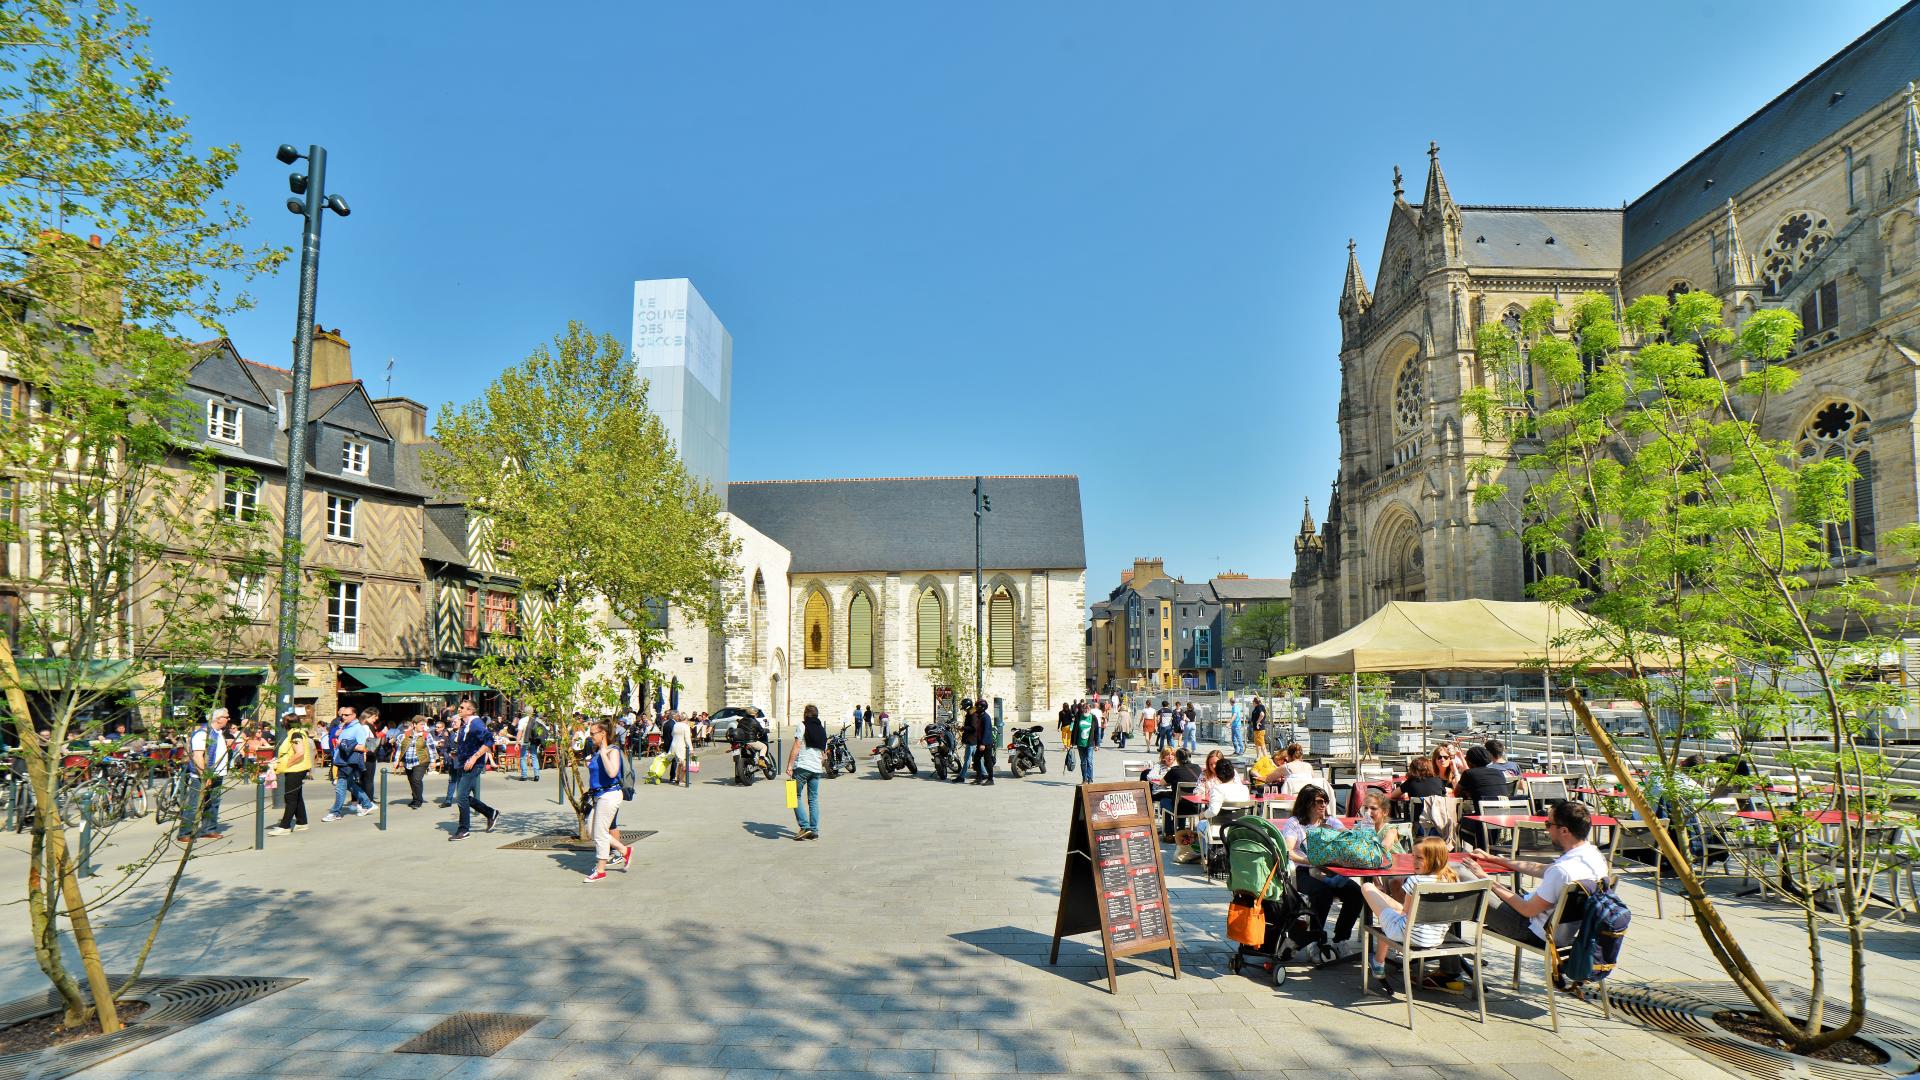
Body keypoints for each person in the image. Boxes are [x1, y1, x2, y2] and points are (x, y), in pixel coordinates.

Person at [1460, 800, 1607, 948]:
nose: (1546, 830)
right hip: (1561, 929)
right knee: (1483, 885)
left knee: (1462, 876)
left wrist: (1484, 878)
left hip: (1530, 929)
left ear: (1564, 831)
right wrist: (1492, 858)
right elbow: (1540, 869)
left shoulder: (1562, 871)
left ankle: (1448, 952)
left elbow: (1527, 910)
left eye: (1549, 824)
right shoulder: (1594, 857)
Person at [1358, 837, 1460, 994]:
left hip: (1409, 934)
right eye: (1413, 856)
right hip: (1435, 936)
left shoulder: (1416, 881)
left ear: (1434, 859)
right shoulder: (1452, 879)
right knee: (1390, 910)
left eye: (1419, 858)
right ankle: (1378, 962)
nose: (1414, 861)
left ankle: (1378, 963)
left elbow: (1404, 912)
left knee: (1367, 886)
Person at [1280, 784, 1363, 960]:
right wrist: (1308, 860)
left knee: (1357, 893)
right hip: (1304, 870)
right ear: (1307, 802)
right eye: (1318, 801)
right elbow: (1288, 851)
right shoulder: (1296, 823)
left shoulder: (1331, 822)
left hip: (1330, 871)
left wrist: (1347, 835)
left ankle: (1340, 939)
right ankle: (1314, 940)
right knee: (1322, 894)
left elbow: (1347, 839)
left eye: (1325, 801)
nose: (1323, 805)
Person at [583, 720, 633, 882]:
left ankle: (601, 870)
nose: (590, 737)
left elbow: (612, 773)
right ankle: (624, 850)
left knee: (599, 833)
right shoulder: (597, 751)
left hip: (610, 794)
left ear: (602, 734)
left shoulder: (613, 751)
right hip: (598, 795)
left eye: (593, 734)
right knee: (591, 830)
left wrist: (604, 753)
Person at [178, 707, 231, 843]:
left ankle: (209, 829)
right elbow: (198, 756)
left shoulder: (217, 733)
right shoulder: (203, 734)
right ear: (218, 719)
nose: (228, 719)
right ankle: (185, 832)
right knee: (195, 804)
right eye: (226, 716)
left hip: (217, 773)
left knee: (213, 803)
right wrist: (205, 776)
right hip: (204, 775)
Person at [449, 698, 499, 841]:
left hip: (473, 765)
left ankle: (463, 830)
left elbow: (489, 740)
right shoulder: (466, 724)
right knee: (464, 797)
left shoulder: (476, 723)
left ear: (470, 711)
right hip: (463, 763)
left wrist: (474, 757)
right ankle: (491, 813)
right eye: (460, 707)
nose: (459, 709)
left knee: (461, 797)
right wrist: (457, 754)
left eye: (462, 708)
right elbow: (468, 743)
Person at [1453, 744, 1510, 849]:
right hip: (1503, 819)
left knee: (1457, 823)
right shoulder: (1498, 773)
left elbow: (1457, 793)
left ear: (1469, 761)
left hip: (1482, 820)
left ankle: (1477, 849)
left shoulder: (1468, 773)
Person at [323, 707, 374, 821]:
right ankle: (367, 804)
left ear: (354, 715)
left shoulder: (358, 729)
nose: (343, 717)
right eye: (343, 715)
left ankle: (336, 812)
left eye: (347, 715)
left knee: (340, 787)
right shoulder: (344, 727)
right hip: (342, 760)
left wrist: (344, 743)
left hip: (349, 762)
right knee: (350, 785)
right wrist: (336, 735)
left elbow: (364, 747)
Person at [266, 714, 312, 836]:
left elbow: (300, 752)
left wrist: (287, 764)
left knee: (290, 798)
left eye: (284, 721)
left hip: (295, 770)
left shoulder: (295, 734)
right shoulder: (296, 732)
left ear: (288, 723)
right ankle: (302, 822)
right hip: (297, 769)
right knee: (297, 796)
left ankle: (285, 826)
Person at [787, 705, 827, 840]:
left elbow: (797, 745)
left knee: (793, 796)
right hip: (816, 769)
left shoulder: (802, 726)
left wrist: (790, 765)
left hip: (802, 767)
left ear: (805, 714)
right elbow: (824, 754)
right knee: (813, 799)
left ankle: (805, 827)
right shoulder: (822, 730)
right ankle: (814, 831)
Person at [393, 718, 432, 809]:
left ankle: (418, 801)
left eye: (424, 724)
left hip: (421, 760)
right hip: (408, 761)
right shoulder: (404, 735)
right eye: (421, 724)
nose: (423, 726)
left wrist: (433, 762)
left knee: (416, 780)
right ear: (414, 724)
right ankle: (415, 798)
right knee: (412, 781)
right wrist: (396, 761)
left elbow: (431, 749)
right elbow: (400, 749)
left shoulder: (426, 735)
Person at [357, 706, 383, 808]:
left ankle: (363, 800)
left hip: (364, 755)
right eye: (374, 717)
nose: (375, 720)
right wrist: (380, 736)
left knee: (363, 779)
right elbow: (371, 745)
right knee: (368, 780)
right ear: (368, 717)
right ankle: (369, 801)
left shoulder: (361, 726)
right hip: (368, 756)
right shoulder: (367, 727)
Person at [1071, 698, 1098, 783]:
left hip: (1090, 743)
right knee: (1083, 762)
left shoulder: (1093, 718)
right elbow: (1075, 730)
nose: (1086, 709)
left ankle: (1090, 778)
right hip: (1080, 743)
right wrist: (1072, 742)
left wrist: (1097, 744)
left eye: (1088, 708)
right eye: (1085, 708)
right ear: (1083, 709)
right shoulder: (1079, 717)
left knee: (1089, 761)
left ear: (1090, 709)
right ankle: (1084, 779)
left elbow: (1097, 731)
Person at [516, 710, 544, 782]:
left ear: (525, 712)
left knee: (523, 757)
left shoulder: (522, 720)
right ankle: (536, 775)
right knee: (534, 757)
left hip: (525, 741)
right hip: (533, 741)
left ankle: (524, 775)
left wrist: (517, 743)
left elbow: (520, 732)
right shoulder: (537, 720)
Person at [668, 706, 692, 786]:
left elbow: (672, 734)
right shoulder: (686, 726)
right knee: (684, 764)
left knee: (679, 763)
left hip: (674, 745)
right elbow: (687, 739)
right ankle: (682, 780)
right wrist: (691, 748)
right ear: (686, 719)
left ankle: (677, 778)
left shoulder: (676, 725)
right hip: (681, 746)